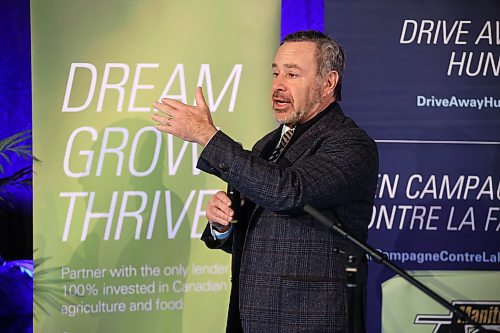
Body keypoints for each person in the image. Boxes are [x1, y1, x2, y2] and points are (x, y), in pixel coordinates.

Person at [152, 30, 379, 333]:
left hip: (309, 319)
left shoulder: (350, 143)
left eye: (292, 74)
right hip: (251, 318)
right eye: (275, 73)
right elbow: (262, 236)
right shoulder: (267, 145)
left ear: (328, 83)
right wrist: (224, 225)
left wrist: (207, 135)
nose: (278, 86)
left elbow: (290, 193)